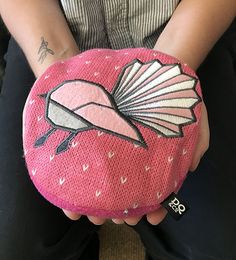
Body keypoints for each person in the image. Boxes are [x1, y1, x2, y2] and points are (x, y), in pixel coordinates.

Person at [0, 0, 235, 259]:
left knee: (213, 242)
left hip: (185, 37)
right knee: (15, 242)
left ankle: (162, 210)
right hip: (49, 37)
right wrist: (61, 77)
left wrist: (171, 74)